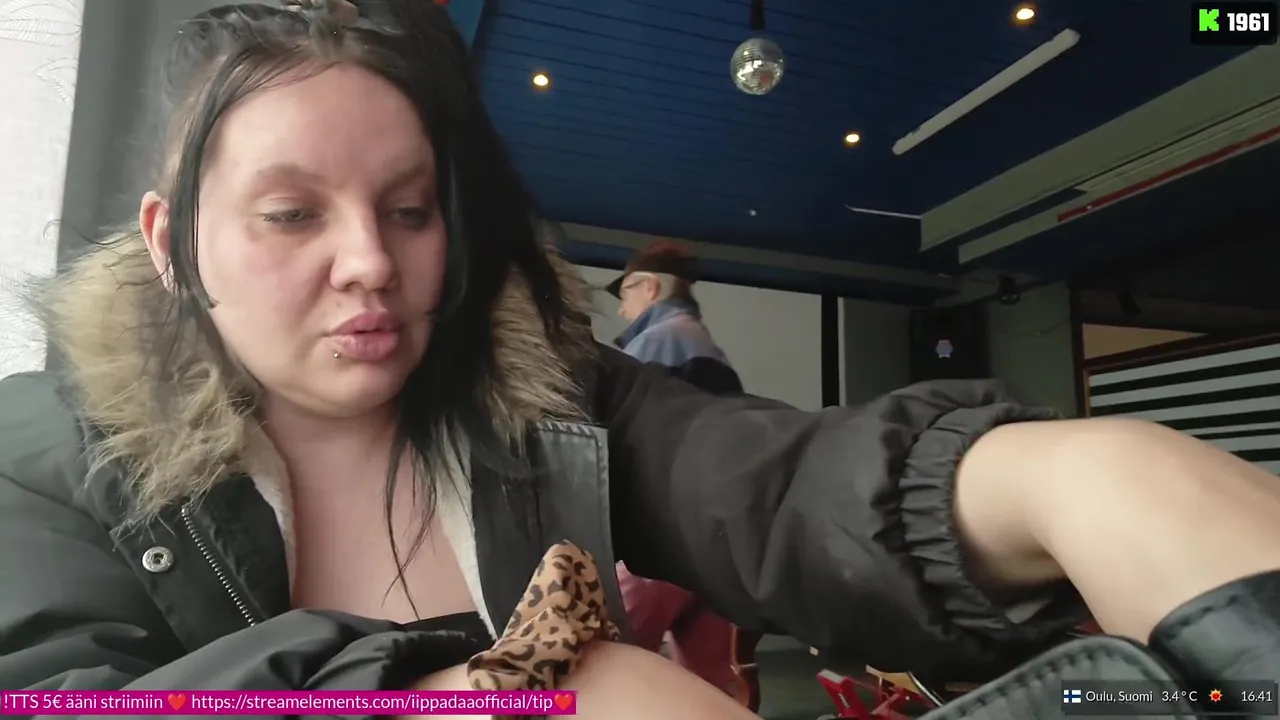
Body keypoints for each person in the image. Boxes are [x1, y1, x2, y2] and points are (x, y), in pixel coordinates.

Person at [2, 2, 1279, 719]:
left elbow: (774, 491)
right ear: (169, 242)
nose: (370, 263)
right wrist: (499, 693)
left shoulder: (547, 400)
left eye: (409, 209)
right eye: (290, 215)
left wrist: (1075, 474)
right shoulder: (36, 461)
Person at [605, 242, 748, 700]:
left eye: (625, 292)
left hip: (660, 540)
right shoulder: (702, 342)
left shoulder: (656, 342)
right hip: (711, 546)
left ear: (649, 287)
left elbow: (621, 442)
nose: (622, 307)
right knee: (709, 688)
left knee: (602, 668)